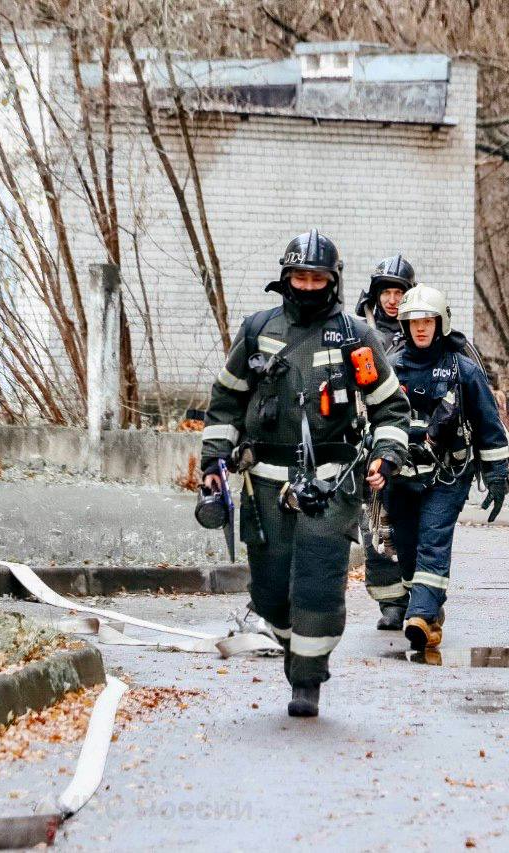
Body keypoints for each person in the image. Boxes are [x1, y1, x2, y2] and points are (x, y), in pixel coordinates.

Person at [201, 230, 411, 717]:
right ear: (285, 277)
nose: (309, 285)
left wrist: (386, 454)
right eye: (300, 276)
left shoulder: (355, 335)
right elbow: (226, 402)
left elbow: (390, 408)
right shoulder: (258, 330)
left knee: (317, 584)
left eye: (318, 278)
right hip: (265, 485)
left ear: (333, 281)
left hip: (331, 482)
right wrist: (214, 460)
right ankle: (296, 649)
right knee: (271, 594)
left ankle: (307, 680)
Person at [384, 286, 509, 651]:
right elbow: (371, 422)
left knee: (433, 536)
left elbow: (489, 425)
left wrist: (497, 476)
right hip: (402, 475)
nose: (420, 329)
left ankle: (419, 615)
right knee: (406, 546)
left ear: (441, 323)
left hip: (448, 476)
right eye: (413, 322)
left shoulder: (464, 370)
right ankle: (430, 614)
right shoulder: (390, 369)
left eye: (427, 321)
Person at [355, 255, 417, 629]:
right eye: (387, 292)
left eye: (399, 292)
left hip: (422, 445)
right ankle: (391, 603)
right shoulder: (360, 335)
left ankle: (420, 593)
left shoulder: (427, 332)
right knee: (376, 523)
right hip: (373, 441)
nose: (393, 300)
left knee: (414, 525)